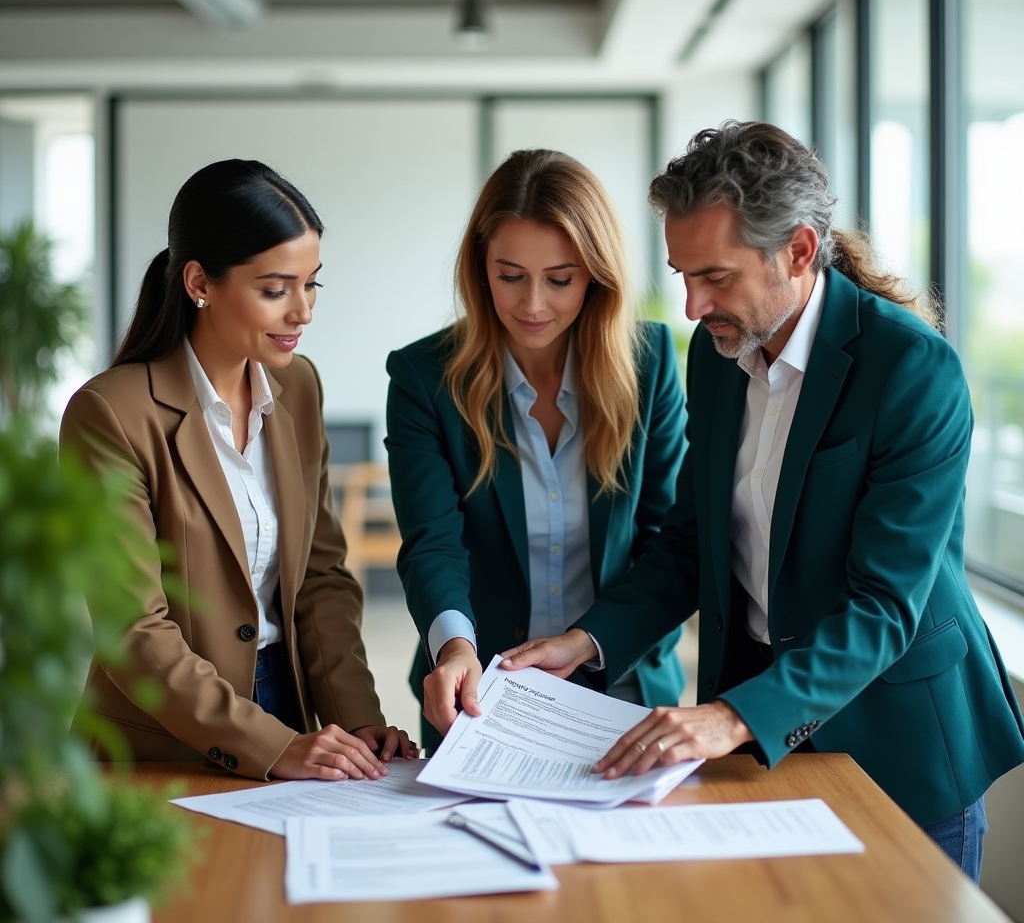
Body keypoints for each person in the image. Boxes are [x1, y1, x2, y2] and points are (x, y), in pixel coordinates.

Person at [500, 122, 1024, 881]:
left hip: (899, 744)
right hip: (757, 746)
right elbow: (691, 541)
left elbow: (882, 605)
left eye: (715, 276)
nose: (691, 304)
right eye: (682, 274)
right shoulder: (718, 360)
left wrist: (733, 716)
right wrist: (586, 641)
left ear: (800, 251)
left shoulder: (912, 370)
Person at [61, 159, 417, 782]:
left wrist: (358, 720)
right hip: (165, 739)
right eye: (276, 289)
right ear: (200, 281)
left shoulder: (298, 388)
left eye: (313, 285)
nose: (302, 311)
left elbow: (321, 576)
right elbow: (134, 629)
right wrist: (271, 746)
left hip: (294, 708)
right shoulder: (111, 413)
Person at [385, 148, 687, 751]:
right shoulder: (425, 376)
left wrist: (592, 639)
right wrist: (454, 646)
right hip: (481, 694)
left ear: (596, 274)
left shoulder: (649, 362)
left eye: (560, 279)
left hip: (621, 687)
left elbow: (669, 542)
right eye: (510, 275)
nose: (532, 306)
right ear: (481, 269)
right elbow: (432, 543)